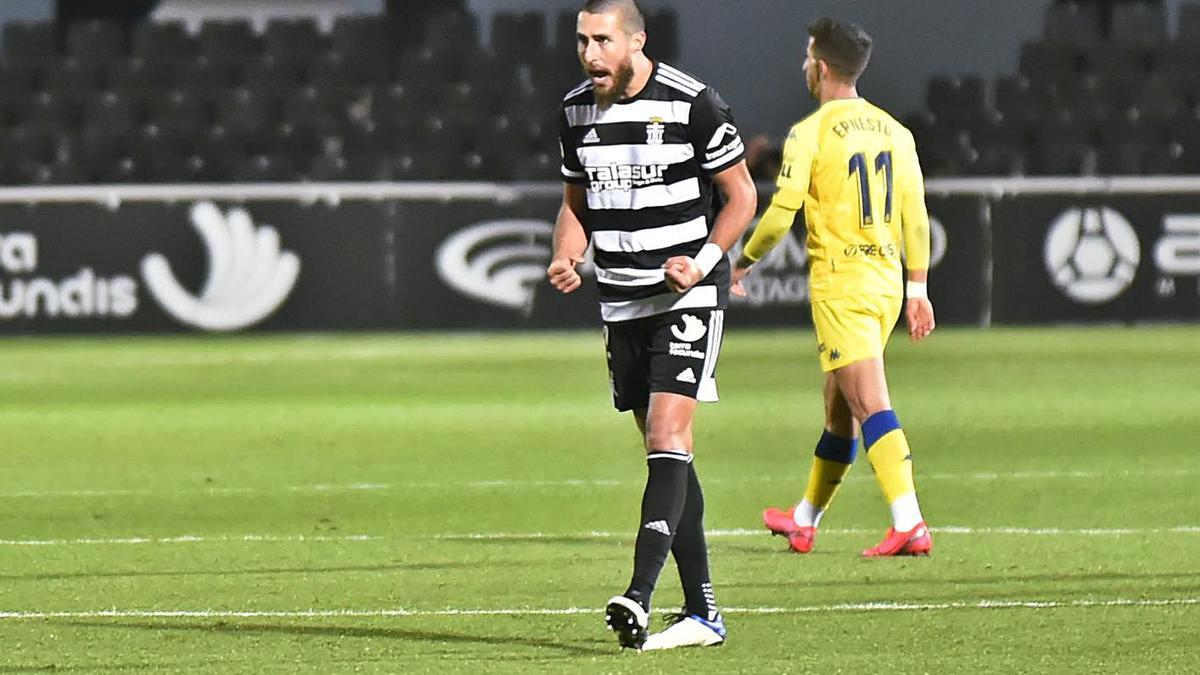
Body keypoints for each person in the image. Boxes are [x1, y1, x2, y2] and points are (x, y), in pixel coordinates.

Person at [546, 0, 756, 651]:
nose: (589, 53)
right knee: (669, 455)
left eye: (602, 40)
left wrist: (703, 262)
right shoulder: (576, 110)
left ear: (637, 41)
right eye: (582, 40)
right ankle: (702, 613)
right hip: (622, 300)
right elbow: (575, 205)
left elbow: (742, 196)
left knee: (669, 434)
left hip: (686, 296)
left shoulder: (694, 104)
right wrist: (564, 252)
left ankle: (638, 594)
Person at [732, 17, 937, 558]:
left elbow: (780, 212)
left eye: (807, 56)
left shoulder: (811, 132)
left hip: (842, 284)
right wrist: (918, 289)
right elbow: (915, 216)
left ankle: (909, 521)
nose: (805, 65)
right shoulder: (896, 131)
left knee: (869, 404)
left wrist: (742, 260)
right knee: (839, 409)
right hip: (886, 282)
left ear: (821, 66)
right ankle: (804, 520)